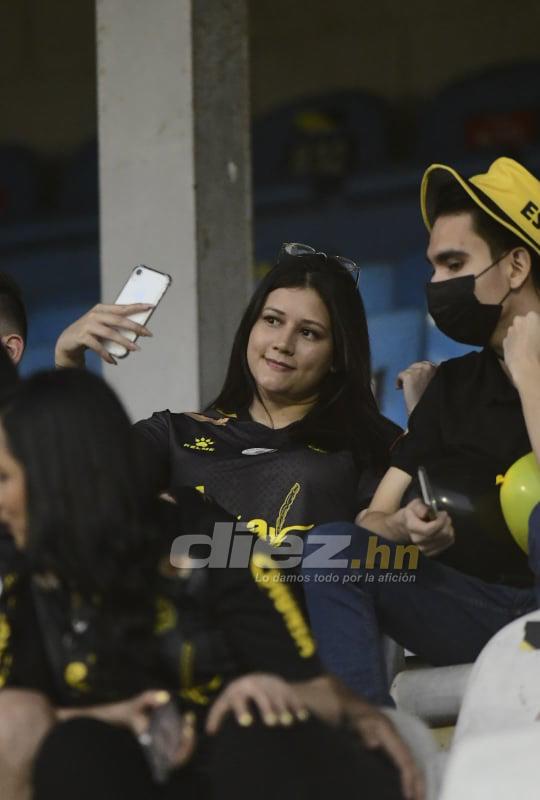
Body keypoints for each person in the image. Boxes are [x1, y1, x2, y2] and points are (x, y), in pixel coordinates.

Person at [0, 368, 422, 800]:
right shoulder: (32, 575)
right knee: (67, 743)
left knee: (253, 718)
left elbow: (316, 691)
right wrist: (116, 716)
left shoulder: (211, 542)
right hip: (129, 767)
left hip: (239, 761)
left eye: (3, 479)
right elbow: (20, 716)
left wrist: (261, 688)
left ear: (54, 479)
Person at [300, 156, 540, 704]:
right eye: (433, 266)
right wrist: (405, 526)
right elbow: (371, 516)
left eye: (454, 263)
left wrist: (530, 376)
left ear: (517, 266)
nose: (436, 283)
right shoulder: (453, 385)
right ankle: (377, 748)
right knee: (332, 547)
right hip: (476, 609)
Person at [55, 246, 401, 548]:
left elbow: (393, 553)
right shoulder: (175, 433)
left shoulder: (372, 445)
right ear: (250, 327)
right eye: (272, 320)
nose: (283, 343)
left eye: (308, 332)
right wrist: (68, 364)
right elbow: (87, 481)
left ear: (338, 356)